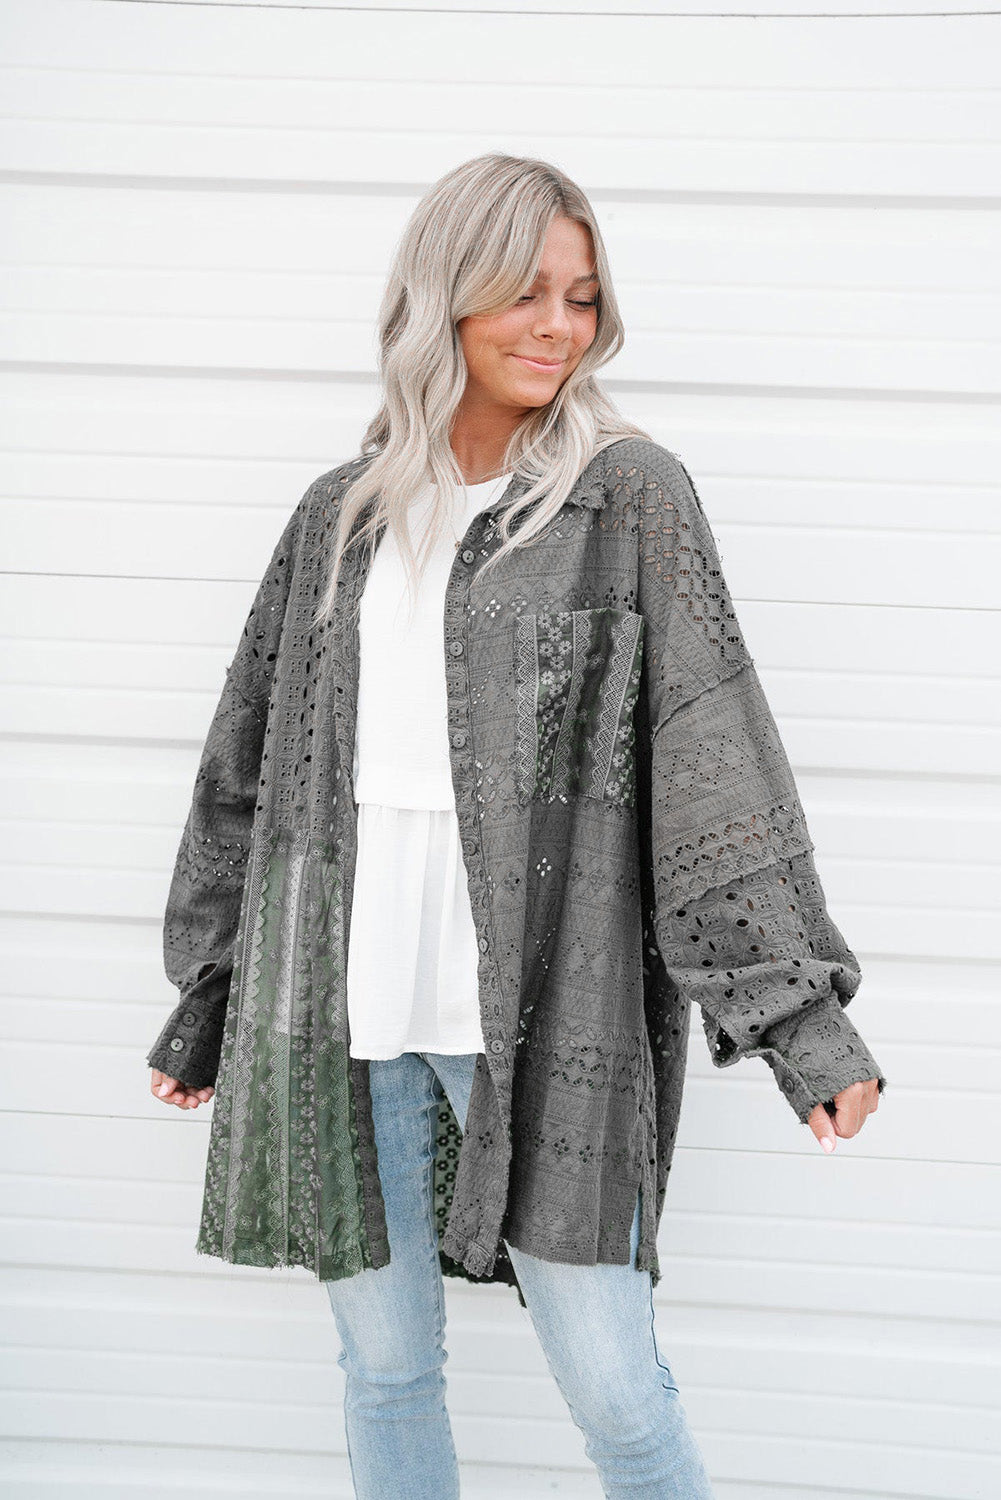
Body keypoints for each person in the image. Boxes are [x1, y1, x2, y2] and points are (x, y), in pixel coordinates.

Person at [147, 152, 886, 1500]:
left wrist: (800, 1024)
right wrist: (210, 999)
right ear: (443, 298)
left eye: (581, 297)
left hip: (547, 1022)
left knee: (616, 1395)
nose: (559, 327)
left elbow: (714, 764)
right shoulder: (341, 518)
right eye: (525, 293)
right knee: (384, 1372)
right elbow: (247, 768)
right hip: (345, 1011)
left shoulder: (627, 497)